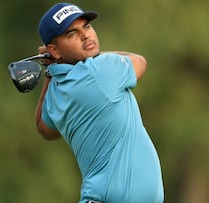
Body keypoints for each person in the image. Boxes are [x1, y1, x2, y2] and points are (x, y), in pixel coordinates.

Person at [35, 3, 164, 203]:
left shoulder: (55, 91)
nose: (85, 35)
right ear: (54, 50)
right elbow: (139, 61)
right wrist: (86, 58)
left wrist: (50, 70)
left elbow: (44, 129)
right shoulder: (100, 71)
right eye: (72, 34)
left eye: (86, 26)